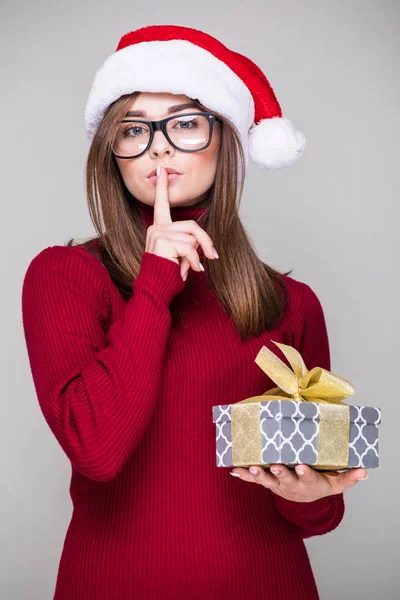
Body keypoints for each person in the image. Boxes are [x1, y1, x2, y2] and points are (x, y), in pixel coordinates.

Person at [21, 24, 368, 600]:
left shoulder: (290, 302)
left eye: (185, 123)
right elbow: (97, 450)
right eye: (134, 129)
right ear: (113, 152)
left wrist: (315, 497)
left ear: (225, 140)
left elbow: (315, 513)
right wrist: (156, 284)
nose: (158, 146)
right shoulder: (66, 276)